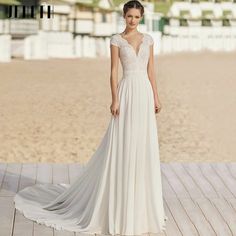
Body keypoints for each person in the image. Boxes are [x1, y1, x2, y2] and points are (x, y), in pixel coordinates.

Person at [14, 0, 168, 235]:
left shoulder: (148, 40)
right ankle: (120, 205)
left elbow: (152, 71)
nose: (133, 21)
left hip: (144, 94)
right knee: (123, 145)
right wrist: (115, 99)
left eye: (137, 17)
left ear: (141, 17)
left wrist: (156, 96)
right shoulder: (116, 40)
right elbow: (113, 72)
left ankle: (141, 208)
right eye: (129, 17)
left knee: (142, 145)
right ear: (124, 16)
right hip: (126, 93)